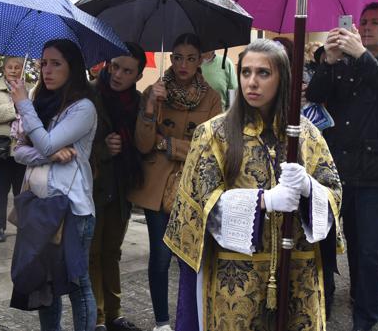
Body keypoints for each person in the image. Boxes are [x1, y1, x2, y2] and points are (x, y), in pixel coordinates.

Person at [163, 39, 341, 331]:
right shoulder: (214, 134)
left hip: (296, 268)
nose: (252, 82)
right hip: (233, 277)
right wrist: (264, 201)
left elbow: (334, 191)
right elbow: (198, 206)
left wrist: (310, 190)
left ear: (282, 78)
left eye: (263, 73)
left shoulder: (306, 134)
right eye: (246, 72)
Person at [306, 2, 378, 331]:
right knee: (323, 242)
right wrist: (328, 62)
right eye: (363, 22)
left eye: (375, 23)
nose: (366, 28)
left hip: (375, 174)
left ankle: (364, 320)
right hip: (334, 170)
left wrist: (363, 57)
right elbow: (315, 94)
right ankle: (321, 306)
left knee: (367, 250)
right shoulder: (341, 62)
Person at [127, 33, 222, 331]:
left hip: (192, 185)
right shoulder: (153, 92)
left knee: (190, 257)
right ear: (171, 58)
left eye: (190, 58)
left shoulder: (211, 97)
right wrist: (151, 109)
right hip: (157, 186)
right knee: (160, 255)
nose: (183, 64)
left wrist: (168, 145)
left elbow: (212, 146)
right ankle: (162, 323)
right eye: (178, 57)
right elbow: (142, 145)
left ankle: (191, 318)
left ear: (200, 61)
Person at [9, 39, 98, 331]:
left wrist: (22, 103)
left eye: (56, 63)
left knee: (76, 282)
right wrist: (46, 154)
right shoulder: (41, 104)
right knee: (45, 281)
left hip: (72, 207)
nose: (47, 70)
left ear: (72, 69)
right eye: (43, 63)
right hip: (40, 205)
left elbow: (45, 141)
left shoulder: (83, 108)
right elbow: (19, 150)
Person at [89, 43, 146, 331]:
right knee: (93, 251)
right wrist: (102, 149)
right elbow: (75, 141)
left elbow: (145, 144)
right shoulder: (91, 94)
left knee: (112, 250)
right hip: (94, 185)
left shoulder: (137, 102)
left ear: (137, 75)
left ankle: (115, 312)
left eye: (127, 70)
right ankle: (97, 316)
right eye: (115, 66)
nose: (117, 74)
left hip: (122, 185)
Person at [0, 56, 28, 242]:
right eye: (9, 67)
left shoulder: (29, 88)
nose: (13, 70)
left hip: (21, 148)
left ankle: (22, 224)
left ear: (22, 70)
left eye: (17, 67)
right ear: (4, 70)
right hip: (1, 147)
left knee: (21, 189)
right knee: (1, 189)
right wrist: (15, 106)